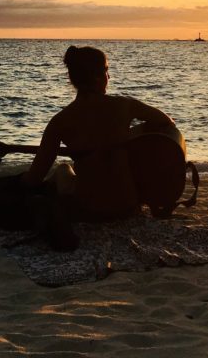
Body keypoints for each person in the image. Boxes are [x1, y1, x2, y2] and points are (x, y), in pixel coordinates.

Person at [23, 45, 175, 235]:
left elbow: (36, 177)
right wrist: (132, 134)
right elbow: (167, 122)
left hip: (88, 209)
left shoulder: (60, 121)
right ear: (96, 77)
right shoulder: (125, 106)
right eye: (106, 70)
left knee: (62, 170)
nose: (108, 77)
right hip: (127, 206)